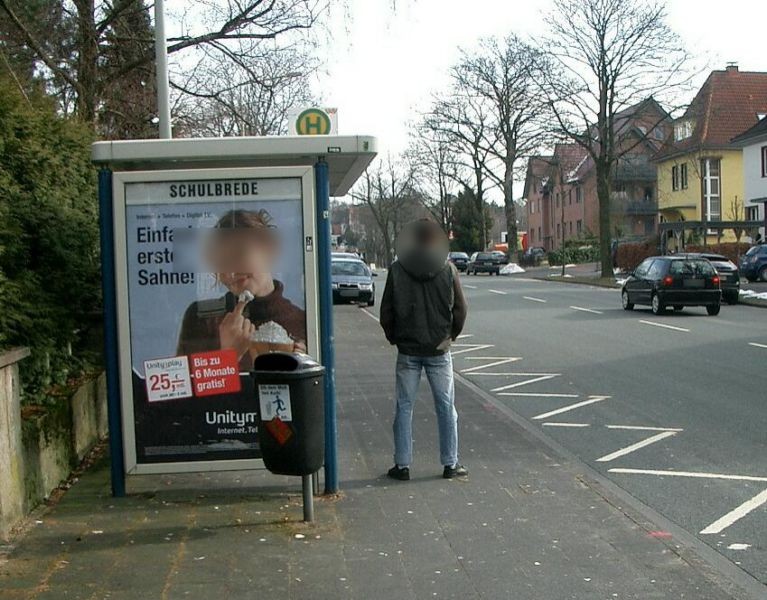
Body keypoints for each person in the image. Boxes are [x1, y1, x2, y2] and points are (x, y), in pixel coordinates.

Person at [380, 219, 468, 481]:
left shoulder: (398, 269)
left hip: (408, 350)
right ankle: (450, 464)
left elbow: (386, 311)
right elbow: (460, 310)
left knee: (404, 407)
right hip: (439, 351)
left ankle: (403, 465)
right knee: (446, 406)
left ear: (415, 239)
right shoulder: (448, 269)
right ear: (436, 240)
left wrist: (395, 336)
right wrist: (450, 336)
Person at [176, 209, 306, 371]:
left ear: (268, 250)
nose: (230, 271)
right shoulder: (201, 319)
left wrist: (302, 369)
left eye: (239, 254)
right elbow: (186, 391)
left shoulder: (302, 322)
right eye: (222, 262)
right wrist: (228, 355)